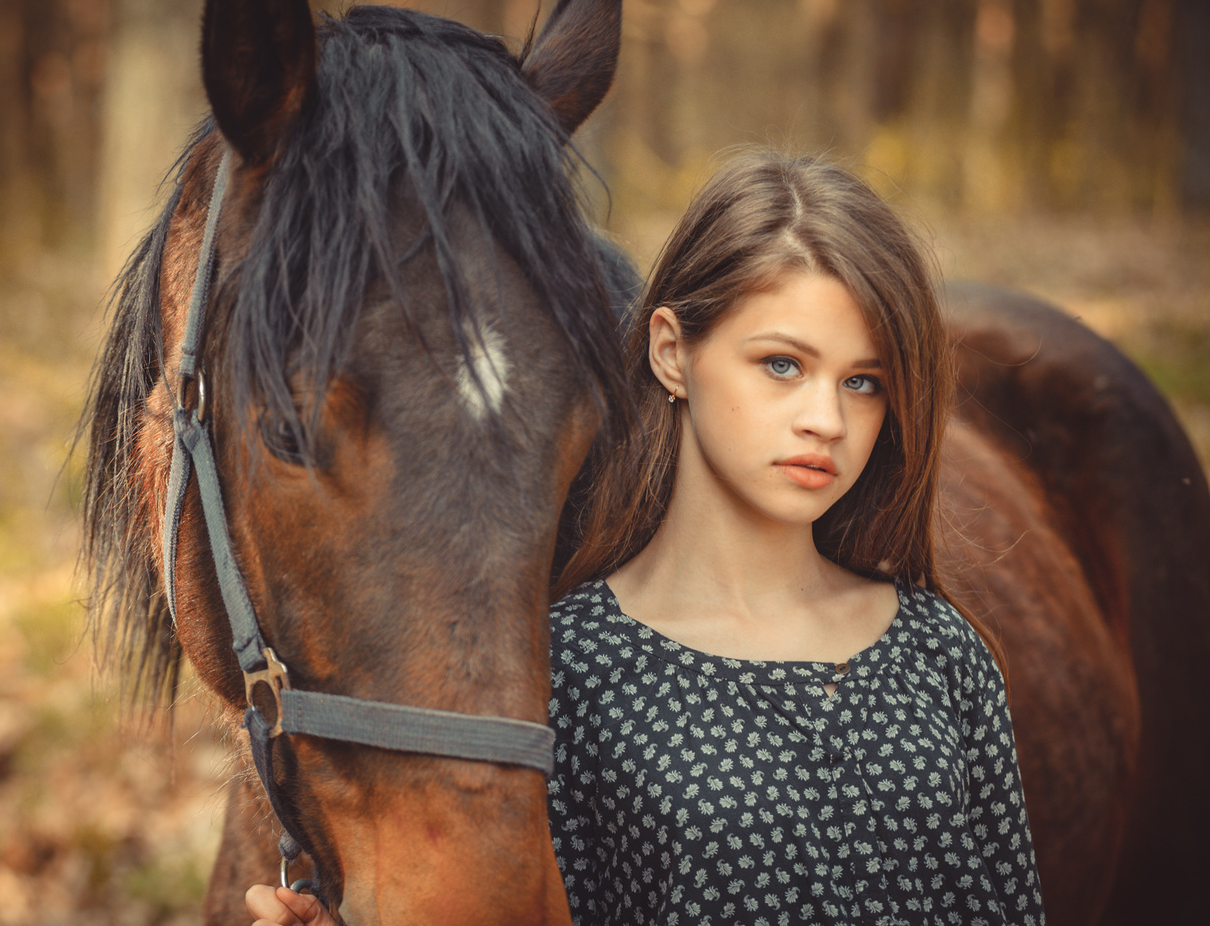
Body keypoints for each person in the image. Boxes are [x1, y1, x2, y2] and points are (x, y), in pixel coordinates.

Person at [246, 151, 1045, 925]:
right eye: (780, 364)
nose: (826, 420)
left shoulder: (942, 651)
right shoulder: (569, 674)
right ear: (672, 352)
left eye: (862, 381)